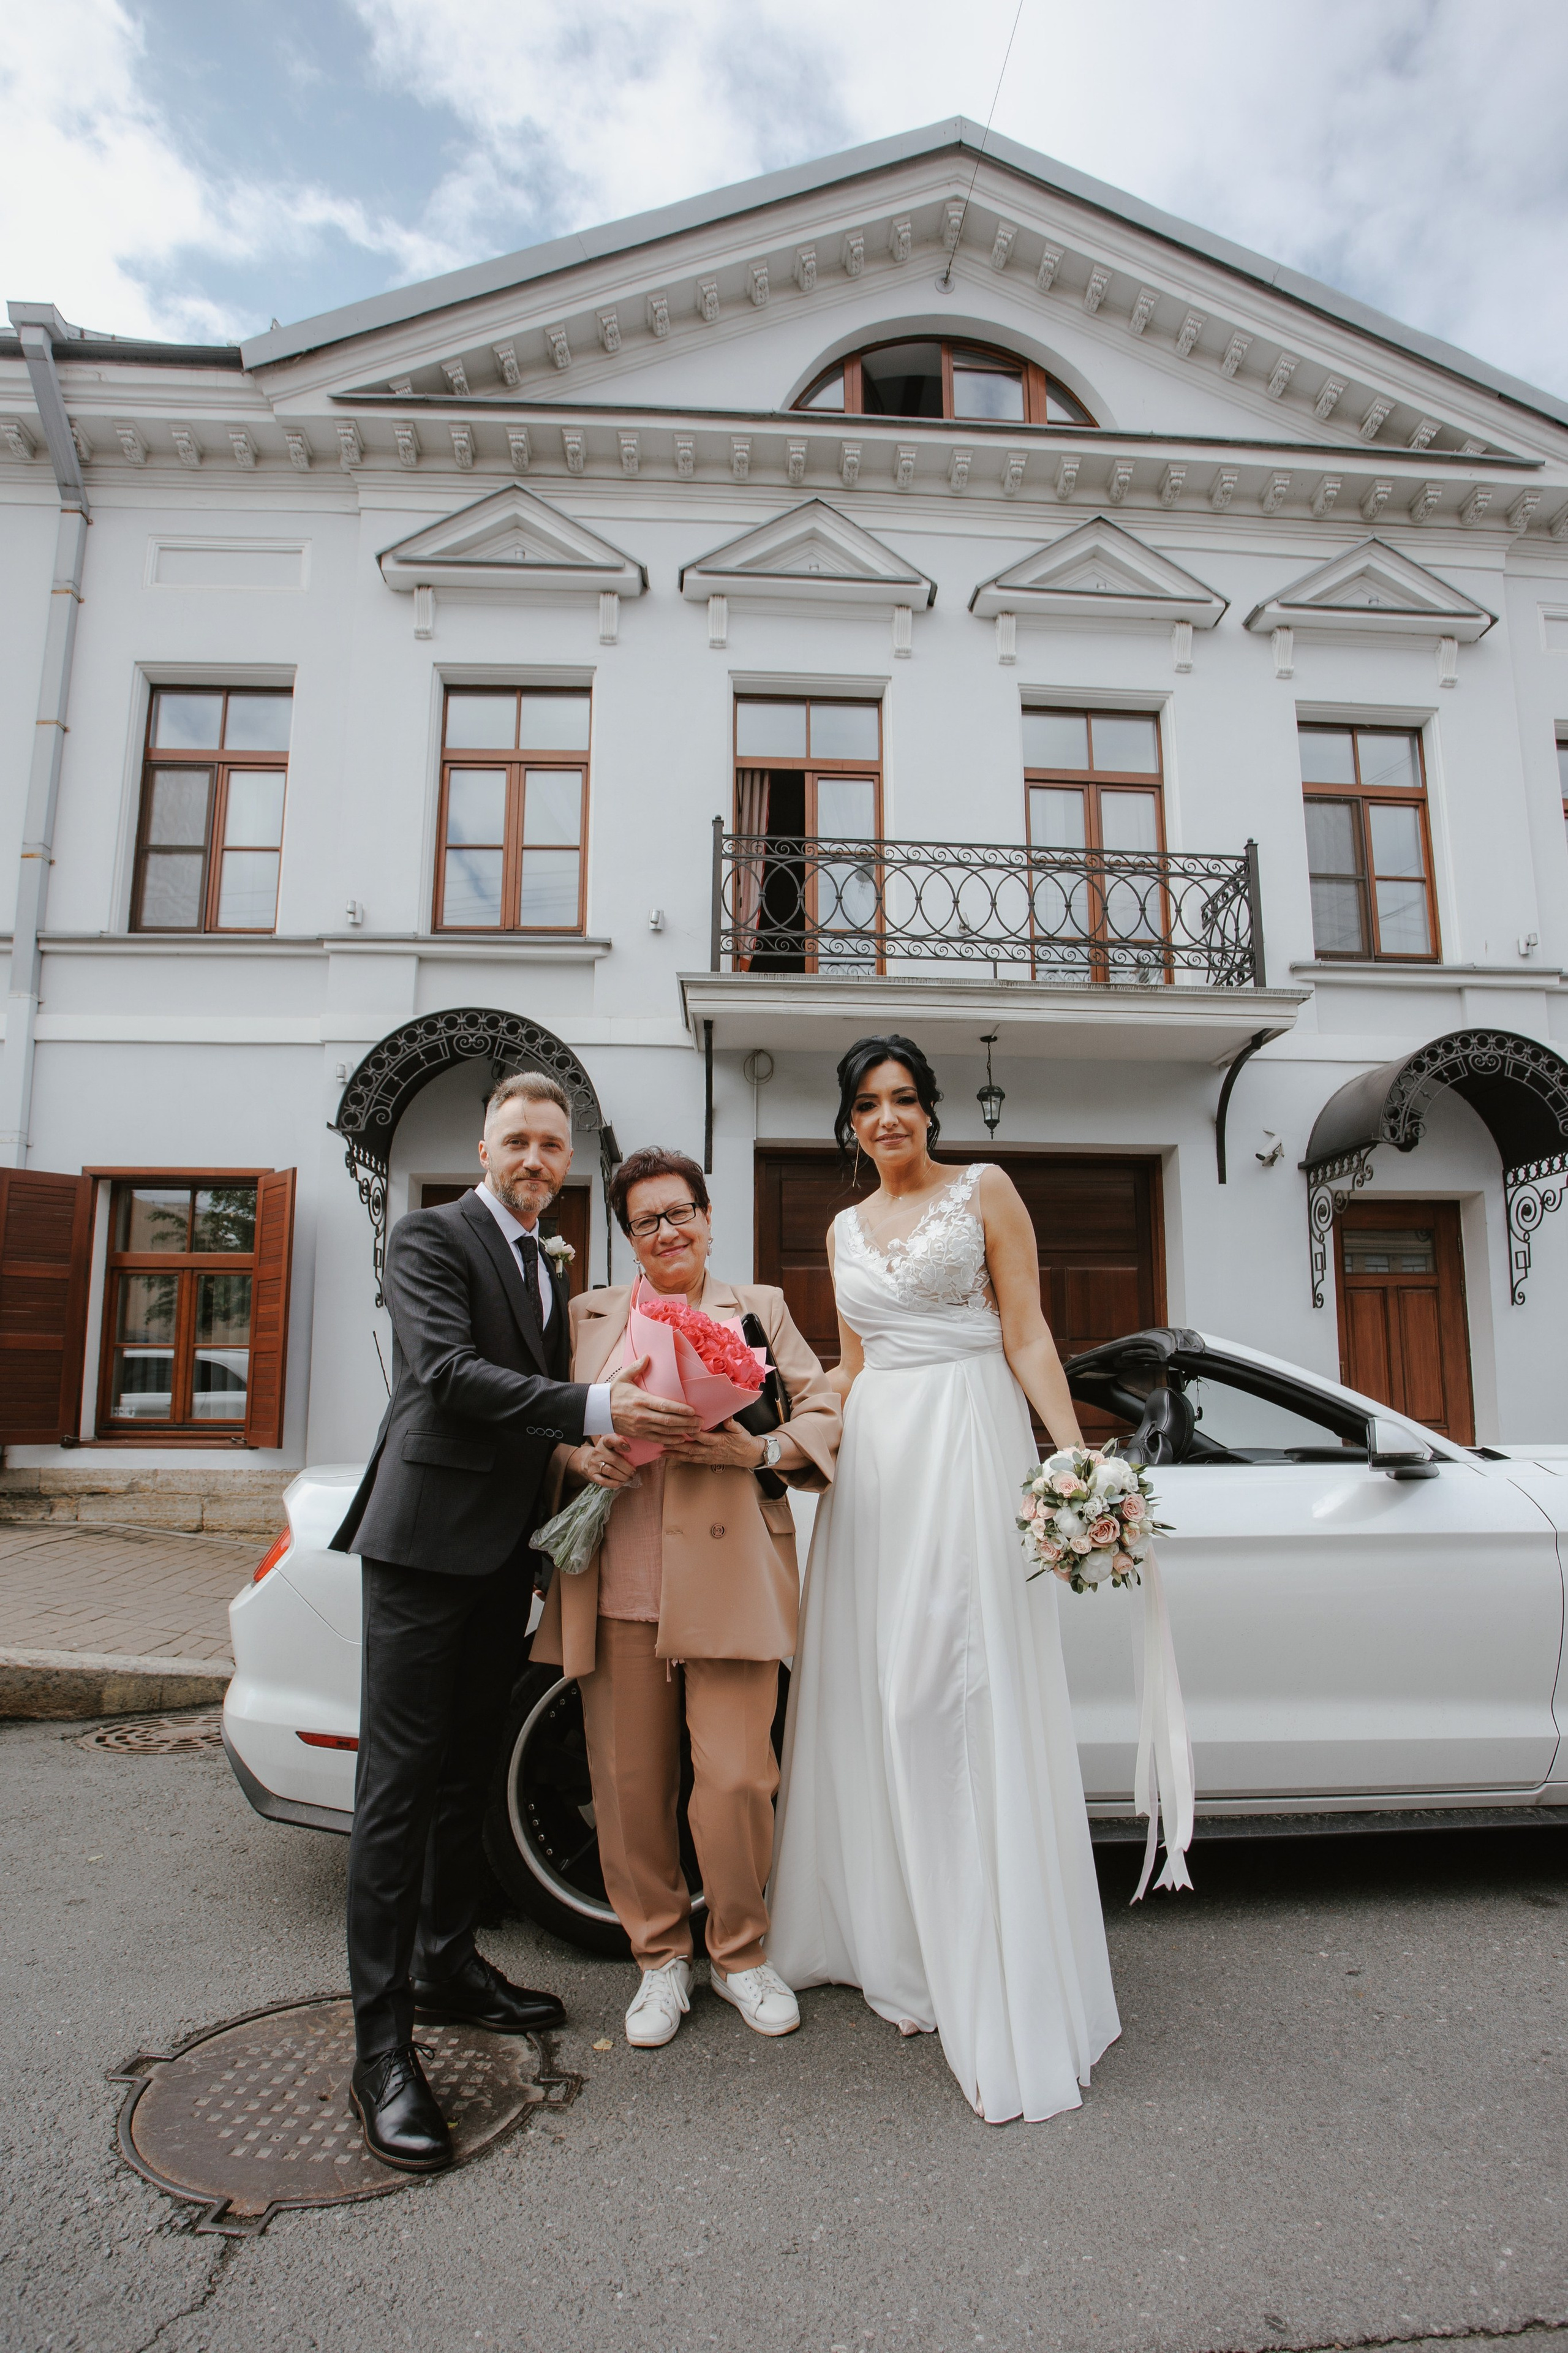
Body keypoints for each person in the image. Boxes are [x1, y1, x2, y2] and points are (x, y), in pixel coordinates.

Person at [330, 1073, 700, 2171]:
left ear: (565, 1158)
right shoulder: (428, 1236)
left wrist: (575, 1453)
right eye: (517, 1139)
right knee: (396, 1792)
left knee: (465, 1773)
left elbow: (523, 1408)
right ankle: (380, 2048)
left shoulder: (548, 1262)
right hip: (421, 1545)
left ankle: (448, 1964)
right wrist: (596, 1407)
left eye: (551, 1143)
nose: (535, 1157)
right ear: (485, 1146)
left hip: (502, 1553)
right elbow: (447, 1375)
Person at [766, 1037, 1121, 2124]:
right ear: (850, 1122)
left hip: (967, 1439)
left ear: (930, 1110)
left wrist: (1073, 1460)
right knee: (880, 1698)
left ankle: (991, 1951)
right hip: (878, 1466)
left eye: (906, 1099)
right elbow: (853, 1364)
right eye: (869, 1104)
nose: (889, 1117)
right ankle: (906, 1944)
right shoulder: (841, 1228)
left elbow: (1028, 1332)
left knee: (945, 1695)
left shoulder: (986, 1190)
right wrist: (772, 1427)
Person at [532, 1146, 841, 2051]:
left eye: (680, 1213)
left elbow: (825, 1409)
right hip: (620, 1577)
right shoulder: (588, 1314)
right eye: (646, 1221)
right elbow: (542, 1416)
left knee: (739, 1778)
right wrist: (576, 1453)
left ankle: (741, 1954)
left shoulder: (761, 1310)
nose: (667, 1232)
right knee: (628, 1785)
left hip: (732, 1573)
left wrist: (758, 1450)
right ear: (628, 1237)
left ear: (707, 1218)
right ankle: (659, 1957)